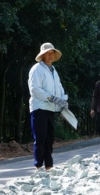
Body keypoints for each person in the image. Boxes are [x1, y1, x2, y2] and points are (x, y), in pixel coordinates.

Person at [28, 42, 68, 171]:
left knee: (49, 138)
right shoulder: (37, 69)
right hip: (39, 107)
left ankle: (49, 166)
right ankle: (38, 166)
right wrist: (50, 97)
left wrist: (63, 100)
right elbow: (34, 89)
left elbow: (59, 87)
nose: (50, 56)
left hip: (51, 108)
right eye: (47, 53)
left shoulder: (53, 70)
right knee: (40, 138)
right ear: (42, 55)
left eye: (52, 53)